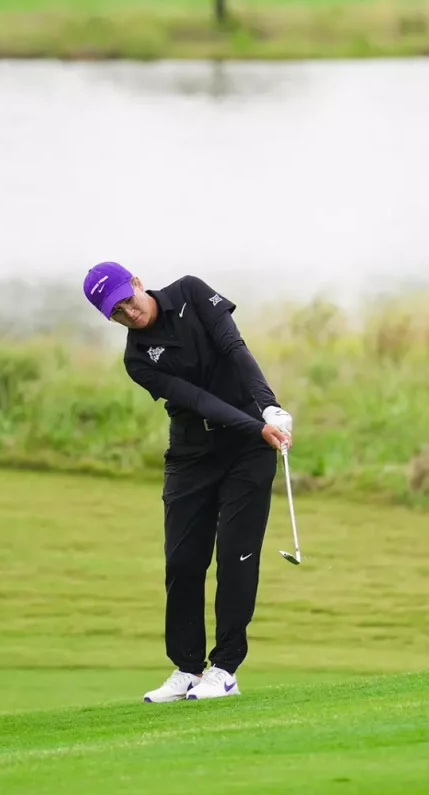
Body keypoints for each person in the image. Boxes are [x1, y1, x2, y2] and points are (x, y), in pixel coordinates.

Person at [82, 261, 293, 702]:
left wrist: (268, 408)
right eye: (116, 313)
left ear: (138, 283)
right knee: (182, 563)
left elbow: (236, 350)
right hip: (192, 454)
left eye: (127, 301)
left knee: (235, 558)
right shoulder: (137, 358)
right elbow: (196, 400)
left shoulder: (192, 294)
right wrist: (255, 424)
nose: (128, 314)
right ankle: (188, 669)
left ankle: (226, 669)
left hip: (248, 454)